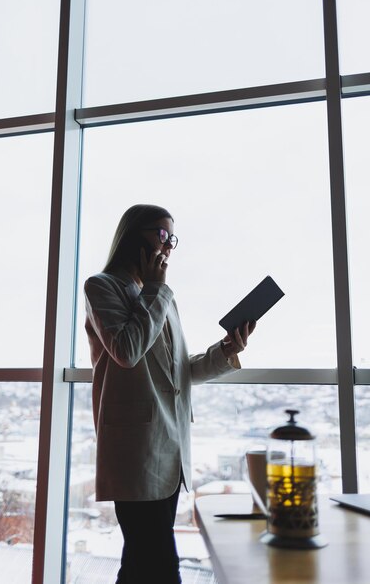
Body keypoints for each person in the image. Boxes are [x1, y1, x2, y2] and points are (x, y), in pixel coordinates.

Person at [84, 204, 256, 584]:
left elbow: (182, 370)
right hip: (135, 450)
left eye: (172, 238)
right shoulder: (101, 286)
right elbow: (127, 350)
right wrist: (157, 291)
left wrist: (226, 350)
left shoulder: (160, 297)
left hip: (170, 446)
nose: (169, 246)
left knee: (144, 562)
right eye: (161, 235)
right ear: (133, 236)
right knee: (159, 562)